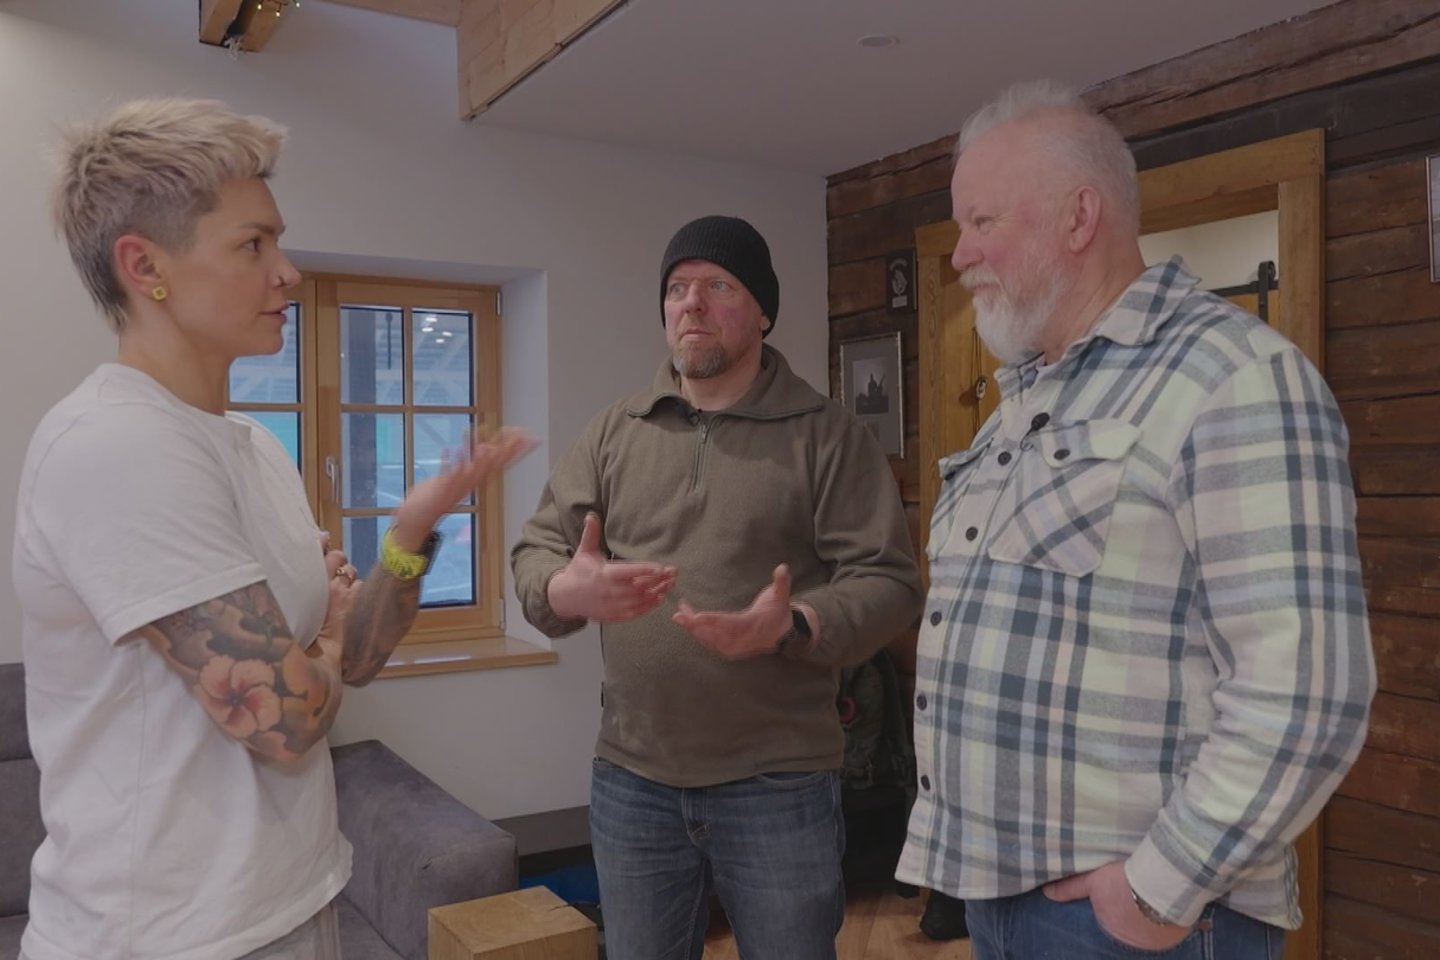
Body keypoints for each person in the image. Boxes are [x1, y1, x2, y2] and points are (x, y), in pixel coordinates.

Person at [14, 98, 533, 960]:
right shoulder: (117, 446)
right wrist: (316, 647)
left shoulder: (251, 445)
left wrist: (411, 531)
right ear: (144, 266)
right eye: (252, 245)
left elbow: (352, 663)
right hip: (168, 940)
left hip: (290, 899)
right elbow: (286, 720)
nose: (287, 272)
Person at [896, 80, 1376, 959]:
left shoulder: (1233, 376)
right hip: (1004, 900)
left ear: (1080, 216)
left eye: (981, 221)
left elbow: (1308, 688)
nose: (960, 254)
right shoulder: (1025, 401)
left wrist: (1159, 887)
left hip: (1138, 921)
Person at [512, 215, 923, 960]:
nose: (692, 304)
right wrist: (567, 591)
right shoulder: (614, 431)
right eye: (677, 289)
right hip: (632, 779)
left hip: (778, 786)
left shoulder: (827, 435)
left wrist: (795, 623)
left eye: (718, 286)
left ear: (763, 311)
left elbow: (889, 581)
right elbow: (538, 549)